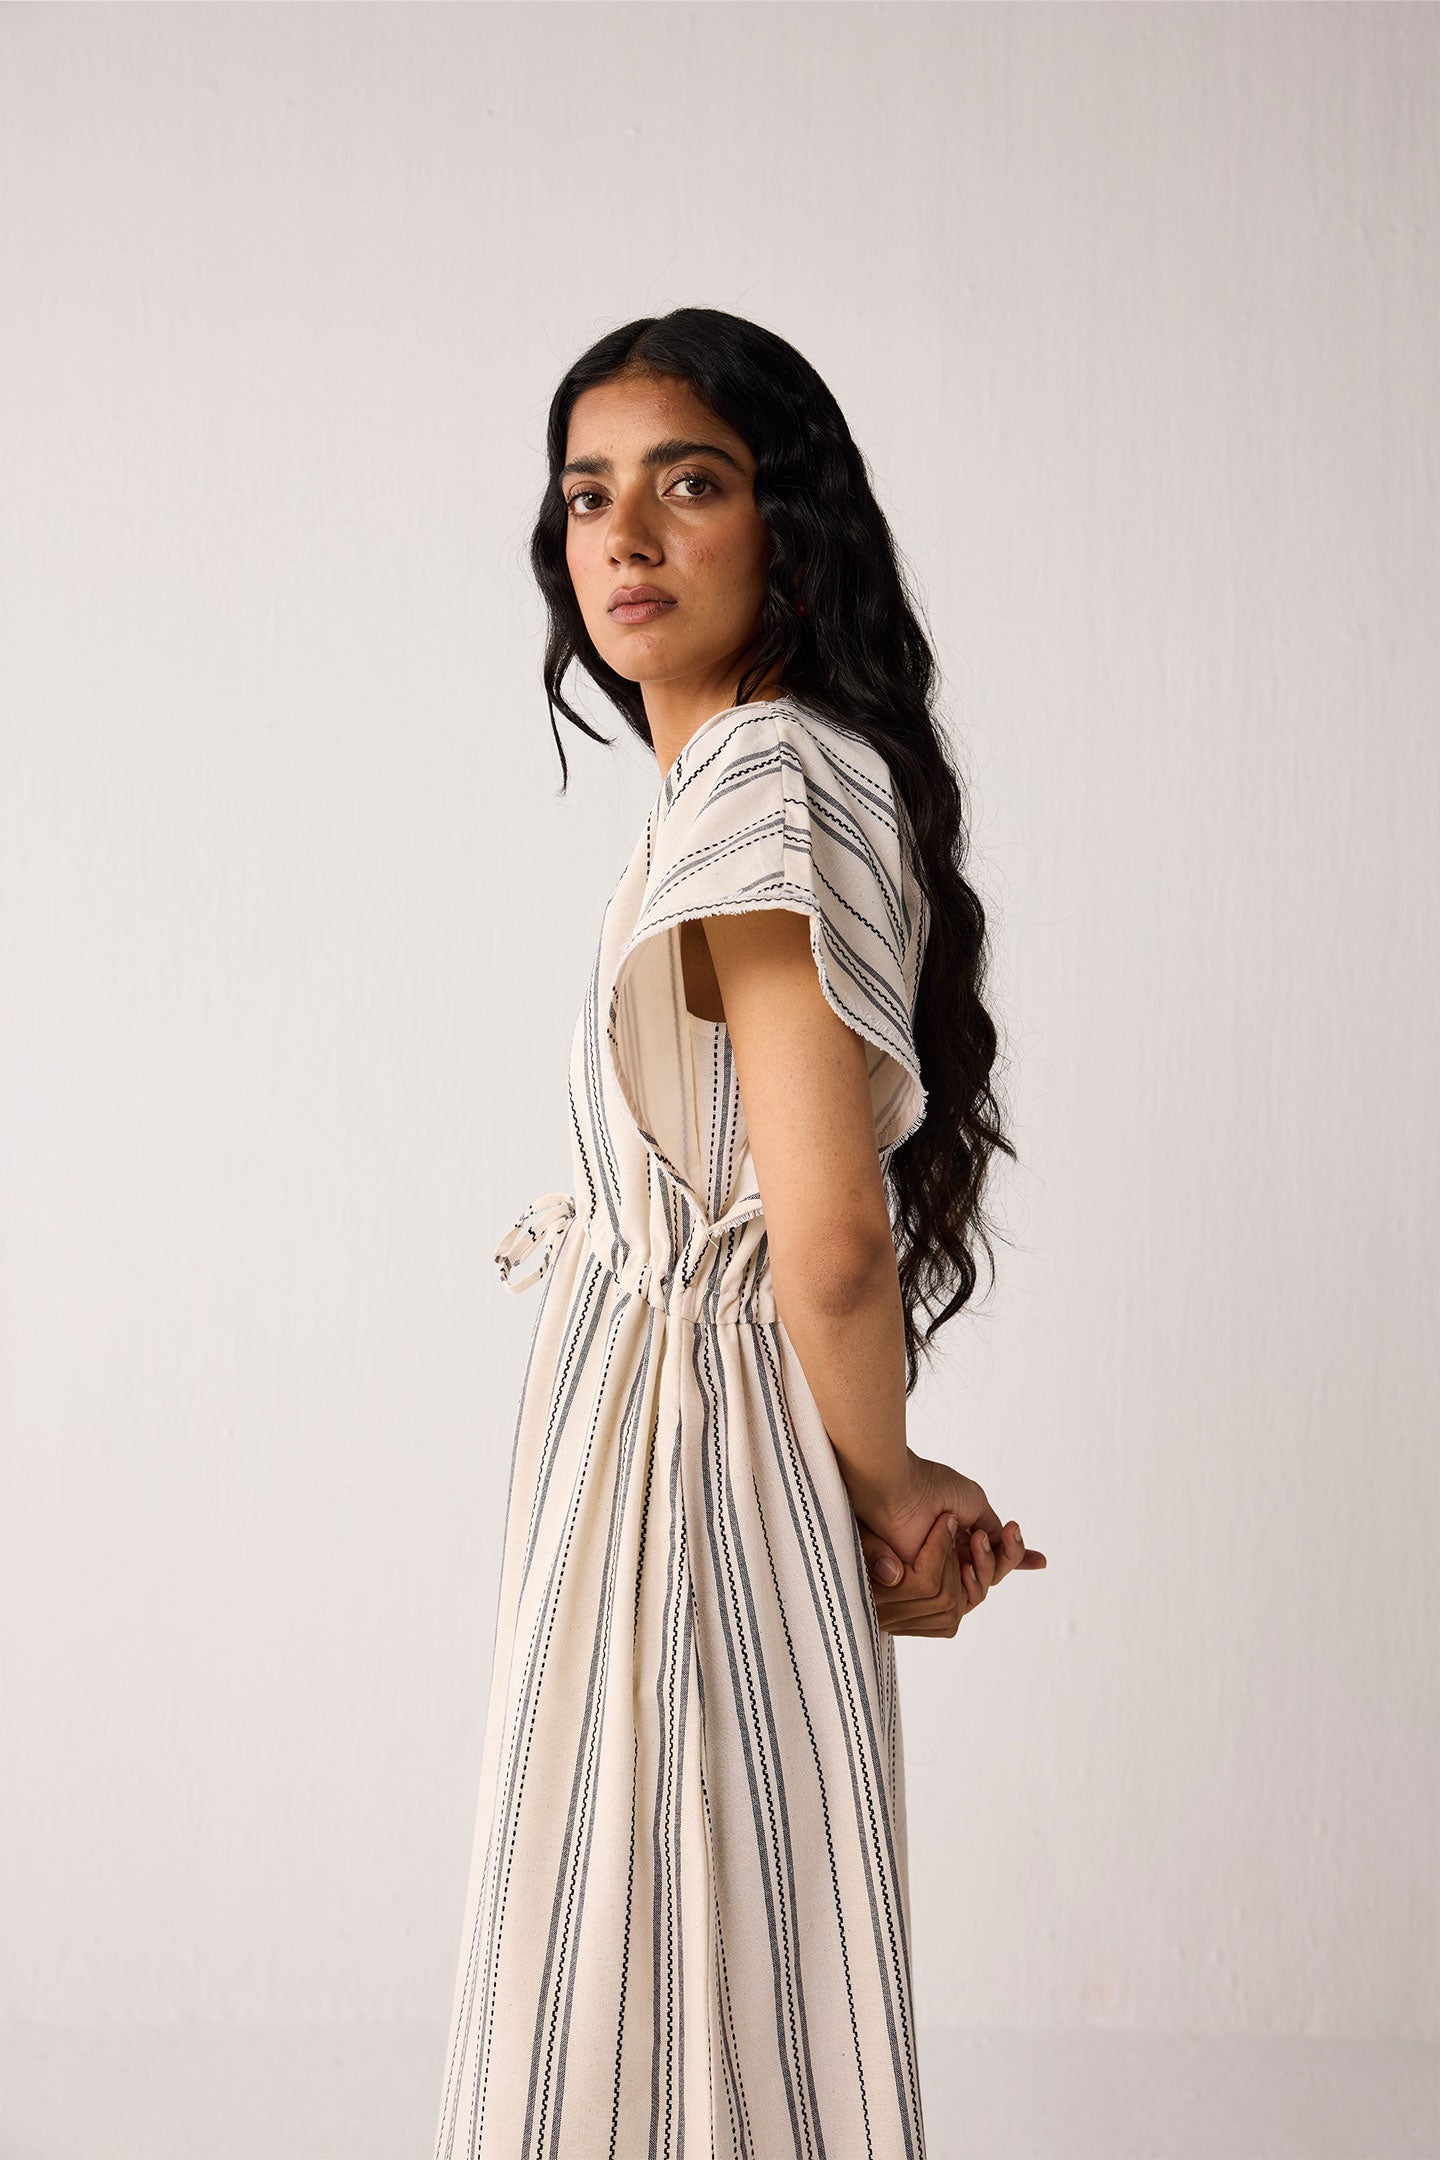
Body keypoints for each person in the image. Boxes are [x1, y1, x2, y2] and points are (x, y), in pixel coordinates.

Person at [433, 307, 1046, 2160]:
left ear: (789, 524)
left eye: (688, 485)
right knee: (726, 1967)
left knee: (647, 1971)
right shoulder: (764, 781)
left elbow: (830, 1239)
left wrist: (882, 1486)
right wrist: (883, 1490)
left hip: (698, 1468)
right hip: (690, 1453)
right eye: (585, 496)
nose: (620, 538)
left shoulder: (761, 792)